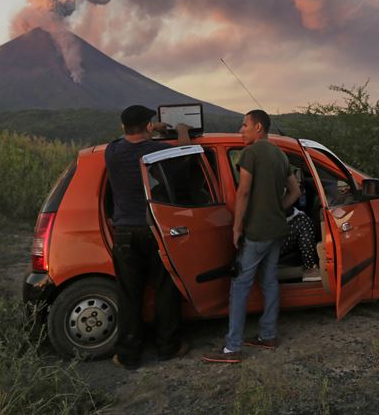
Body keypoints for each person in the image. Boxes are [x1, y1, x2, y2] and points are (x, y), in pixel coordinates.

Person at [202, 109, 301, 363]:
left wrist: (236, 228)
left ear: (258, 127)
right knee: (269, 281)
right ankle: (268, 335)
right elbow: (295, 191)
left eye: (244, 125)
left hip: (256, 232)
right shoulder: (280, 154)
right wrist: (278, 208)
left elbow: (243, 193)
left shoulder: (250, 153)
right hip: (276, 230)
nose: (241, 130)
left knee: (240, 286)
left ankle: (232, 348)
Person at [106, 104, 189, 370]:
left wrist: (150, 129)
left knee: (129, 294)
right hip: (153, 229)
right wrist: (182, 131)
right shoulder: (157, 151)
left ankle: (128, 354)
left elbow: (125, 139)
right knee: (166, 287)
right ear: (148, 126)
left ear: (122, 128)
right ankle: (168, 346)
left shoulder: (112, 151)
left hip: (124, 233)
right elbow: (185, 154)